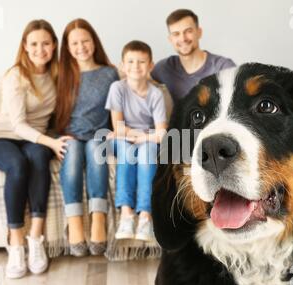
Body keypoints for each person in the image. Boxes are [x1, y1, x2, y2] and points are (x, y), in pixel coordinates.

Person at [0, 20, 71, 279]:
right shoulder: (16, 75)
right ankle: (16, 242)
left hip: (36, 140)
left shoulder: (57, 74)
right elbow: (18, 125)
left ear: (54, 45)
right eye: (34, 44)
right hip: (3, 137)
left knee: (37, 159)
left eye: (46, 43)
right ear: (25, 46)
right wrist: (52, 143)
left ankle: (36, 238)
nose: (40, 49)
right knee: (18, 165)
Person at [56, 19, 119, 256]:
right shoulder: (61, 73)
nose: (81, 47)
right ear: (67, 47)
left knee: (95, 151)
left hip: (99, 135)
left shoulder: (109, 72)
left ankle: (98, 219)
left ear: (94, 42)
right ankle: (74, 222)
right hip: (69, 135)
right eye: (74, 43)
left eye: (85, 41)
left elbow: (118, 107)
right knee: (71, 156)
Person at [105, 40, 167, 242]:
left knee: (147, 151)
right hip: (122, 140)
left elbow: (161, 134)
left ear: (150, 65)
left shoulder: (156, 94)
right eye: (130, 62)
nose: (135, 67)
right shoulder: (118, 88)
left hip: (145, 141)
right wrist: (133, 134)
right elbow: (118, 127)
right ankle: (126, 214)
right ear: (122, 65)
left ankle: (145, 216)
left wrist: (140, 137)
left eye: (141, 62)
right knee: (125, 150)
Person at [151, 8, 236, 104]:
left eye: (188, 31)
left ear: (199, 32)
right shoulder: (164, 68)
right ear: (170, 39)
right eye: (176, 34)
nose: (183, 38)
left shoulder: (223, 67)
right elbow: (138, 81)